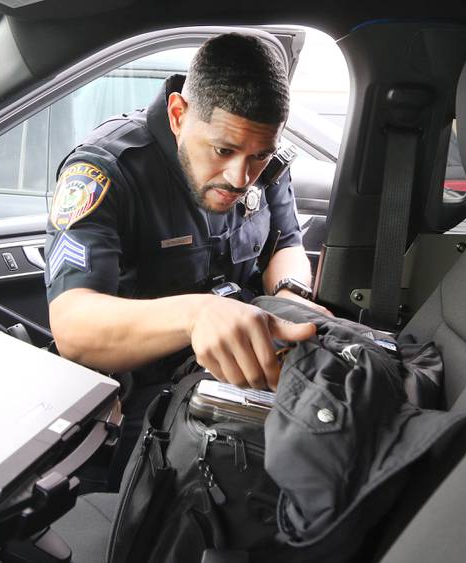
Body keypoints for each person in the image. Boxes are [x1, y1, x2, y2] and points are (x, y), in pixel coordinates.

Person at [44, 33, 327, 395]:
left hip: (244, 374)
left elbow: (287, 242)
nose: (240, 177)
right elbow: (72, 326)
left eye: (259, 156)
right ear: (179, 115)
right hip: (146, 394)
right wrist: (197, 316)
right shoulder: (106, 171)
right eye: (223, 150)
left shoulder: (260, 153)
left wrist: (289, 299)